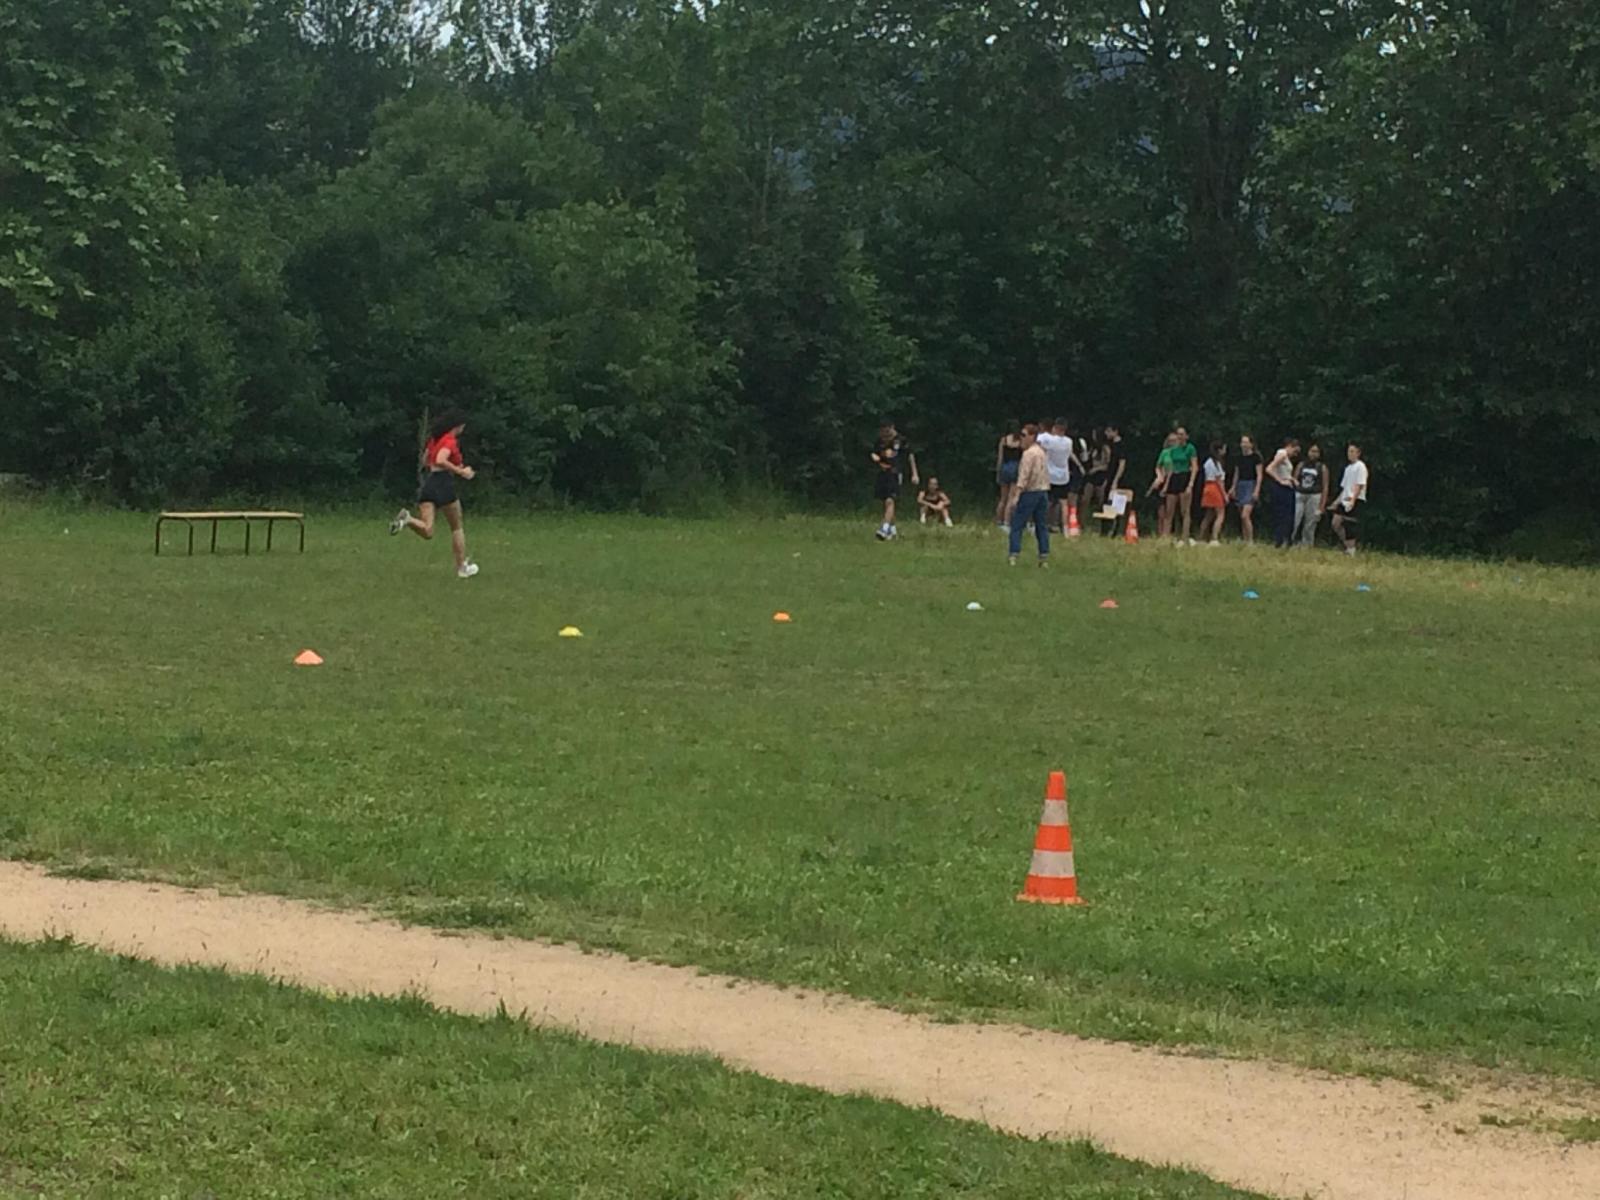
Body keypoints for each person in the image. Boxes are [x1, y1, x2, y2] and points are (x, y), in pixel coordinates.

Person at [390, 410, 480, 579]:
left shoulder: (434, 440)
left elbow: (426, 460)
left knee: (428, 530)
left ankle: (408, 519)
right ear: (458, 426)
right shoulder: (450, 441)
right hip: (444, 483)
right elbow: (440, 459)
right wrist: (461, 471)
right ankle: (462, 568)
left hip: (429, 483)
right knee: (456, 527)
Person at [1008, 423, 1050, 566]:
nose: (1022, 438)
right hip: (1043, 491)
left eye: (1024, 435)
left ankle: (1014, 554)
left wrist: (1016, 495)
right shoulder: (1042, 452)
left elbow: (1024, 476)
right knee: (1041, 525)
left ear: (1032, 436)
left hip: (1030, 492)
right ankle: (1043, 556)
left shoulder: (1028, 454)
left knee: (1017, 524)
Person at [871, 419, 918, 541]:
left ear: (892, 427)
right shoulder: (880, 441)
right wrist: (875, 458)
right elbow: (875, 453)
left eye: (887, 430)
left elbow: (910, 456)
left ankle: (884, 529)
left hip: (895, 474)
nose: (884, 434)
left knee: (890, 501)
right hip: (883, 474)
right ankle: (892, 530)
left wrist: (914, 474)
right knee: (885, 502)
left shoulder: (901, 440)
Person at [1036, 418, 1081, 533]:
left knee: (1047, 502)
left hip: (1050, 475)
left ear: (1055, 428)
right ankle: (1066, 527)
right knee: (1064, 502)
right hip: (1063, 476)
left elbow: (1040, 441)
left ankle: (1043, 524)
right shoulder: (1068, 441)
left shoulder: (1049, 439)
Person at [1160, 426, 1199, 545]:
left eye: (1182, 434)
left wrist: (1191, 484)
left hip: (1184, 476)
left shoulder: (1190, 448)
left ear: (1186, 436)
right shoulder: (1172, 449)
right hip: (1174, 477)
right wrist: (1165, 483)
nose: (1180, 437)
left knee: (1185, 510)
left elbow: (1194, 467)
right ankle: (1165, 536)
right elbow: (1169, 466)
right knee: (1169, 510)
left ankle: (1184, 537)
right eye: (1178, 434)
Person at [1330, 443, 1369, 555]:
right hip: (1346, 498)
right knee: (1336, 523)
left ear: (1358, 453)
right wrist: (1336, 502)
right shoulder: (1348, 468)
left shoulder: (1360, 466)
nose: (1350, 454)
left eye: (1352, 451)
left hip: (1356, 498)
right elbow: (1345, 488)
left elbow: (1359, 485)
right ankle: (1347, 546)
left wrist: (1353, 500)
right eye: (1348, 451)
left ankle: (1351, 550)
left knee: (1349, 524)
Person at [1292, 442, 1330, 548]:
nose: (1313, 454)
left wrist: (1322, 506)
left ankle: (1307, 544)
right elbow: (1294, 479)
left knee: (1310, 522)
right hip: (1300, 493)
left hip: (1314, 495)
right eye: (1312, 451)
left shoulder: (1322, 467)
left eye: (1316, 452)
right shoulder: (1301, 465)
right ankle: (1290, 540)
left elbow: (1325, 487)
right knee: (1295, 518)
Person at [1265, 436, 1300, 549]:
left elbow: (1283, 472)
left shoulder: (1285, 456)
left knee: (1288, 515)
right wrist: (1280, 481)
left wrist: (1292, 479)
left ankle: (1285, 540)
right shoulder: (1282, 454)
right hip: (1282, 489)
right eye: (1295, 451)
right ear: (1290, 446)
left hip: (1288, 486)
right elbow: (1269, 468)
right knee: (1284, 515)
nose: (1295, 454)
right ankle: (1281, 540)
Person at [1230, 435, 1263, 546]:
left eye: (1246, 442)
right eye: (1242, 442)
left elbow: (1259, 475)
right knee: (1241, 515)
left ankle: (1250, 540)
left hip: (1251, 484)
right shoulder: (1238, 458)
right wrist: (1233, 487)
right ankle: (1245, 539)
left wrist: (1257, 490)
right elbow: (1237, 474)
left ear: (1251, 444)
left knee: (1245, 515)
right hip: (1241, 484)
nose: (1243, 445)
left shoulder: (1256, 457)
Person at [1147, 432, 1180, 539]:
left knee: (1169, 510)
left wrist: (1167, 484)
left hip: (1173, 481)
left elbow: (1173, 470)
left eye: (1175, 441)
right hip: (1162, 479)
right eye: (1171, 441)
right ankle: (1160, 532)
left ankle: (1167, 533)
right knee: (1161, 510)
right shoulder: (1164, 452)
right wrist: (1159, 476)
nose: (1173, 443)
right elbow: (1158, 466)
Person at [1198, 441, 1229, 545]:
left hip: (1207, 487)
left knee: (1209, 515)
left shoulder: (1208, 462)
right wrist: (1224, 494)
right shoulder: (1217, 463)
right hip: (1215, 488)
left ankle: (1201, 537)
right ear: (1219, 450)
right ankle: (1214, 538)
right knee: (1220, 514)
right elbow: (1219, 480)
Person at [994, 422, 1024, 528]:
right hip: (1015, 468)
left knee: (1003, 498)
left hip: (1005, 468)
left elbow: (1000, 458)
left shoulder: (1004, 440)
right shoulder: (1021, 441)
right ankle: (1007, 522)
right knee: (1011, 497)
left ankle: (998, 520)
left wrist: (998, 471)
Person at [1100, 425, 1128, 537]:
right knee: (1106, 503)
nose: (1106, 434)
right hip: (1110, 478)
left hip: (1116, 479)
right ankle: (1105, 529)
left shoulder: (1121, 446)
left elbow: (1122, 464)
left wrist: (1116, 480)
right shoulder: (1111, 446)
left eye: (1108, 431)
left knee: (1116, 505)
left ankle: (1115, 530)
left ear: (1115, 432)